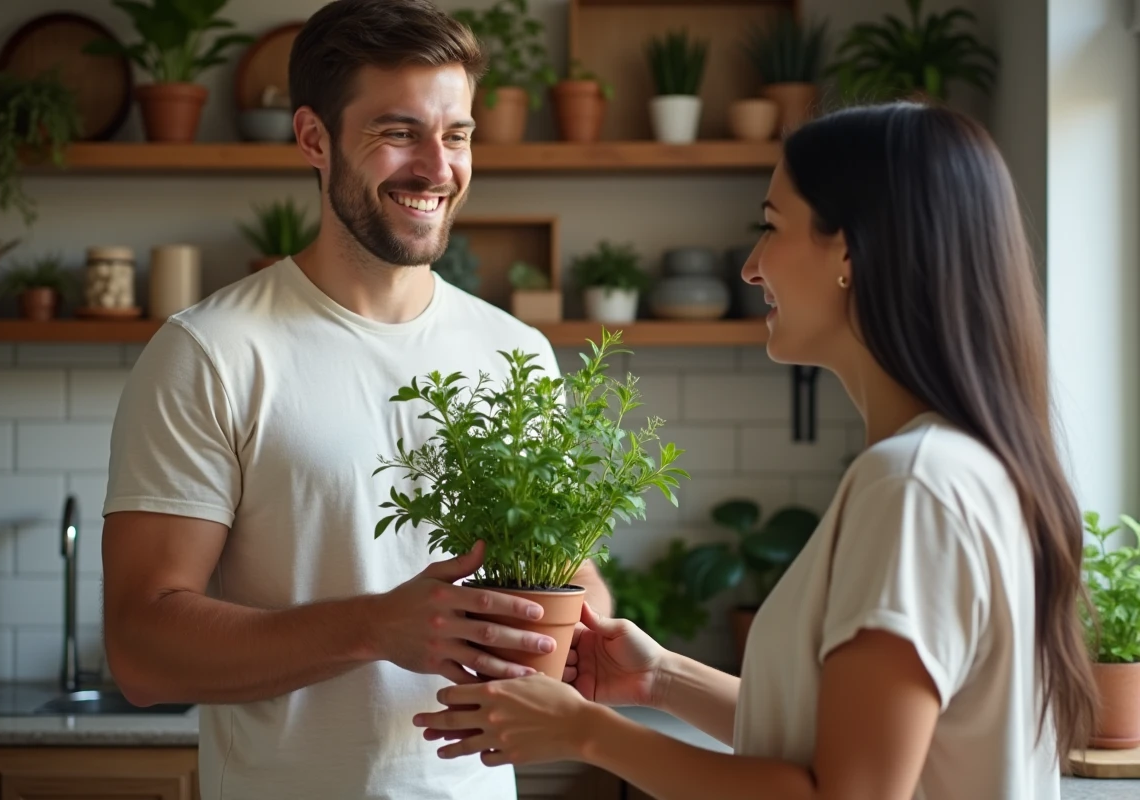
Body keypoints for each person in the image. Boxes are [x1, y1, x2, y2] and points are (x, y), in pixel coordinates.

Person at [414, 102, 1100, 800]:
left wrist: (586, 733)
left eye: (770, 228)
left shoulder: (914, 485)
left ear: (850, 252)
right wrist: (662, 680)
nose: (749, 267)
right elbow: (850, 746)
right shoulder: (963, 467)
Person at [98, 2, 611, 799]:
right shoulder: (213, 353)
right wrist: (376, 626)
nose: (437, 168)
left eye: (458, 134)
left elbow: (568, 575)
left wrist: (584, 628)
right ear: (313, 138)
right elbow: (140, 651)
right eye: (398, 133)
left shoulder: (515, 354)